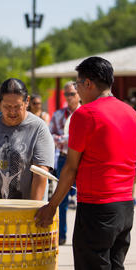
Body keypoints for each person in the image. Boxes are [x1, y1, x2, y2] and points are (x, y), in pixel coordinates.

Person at [35, 56, 136, 270]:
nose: (77, 90)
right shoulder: (131, 113)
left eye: (78, 85)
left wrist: (52, 206)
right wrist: (123, 186)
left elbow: (70, 168)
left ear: (88, 83)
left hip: (96, 210)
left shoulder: (85, 115)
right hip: (125, 209)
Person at [0, 78, 54, 200]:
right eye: (7, 106)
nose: (12, 112)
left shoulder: (39, 129)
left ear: (27, 101)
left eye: (17, 106)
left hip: (21, 210)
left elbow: (41, 174)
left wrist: (33, 211)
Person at [49, 81, 80, 245]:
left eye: (72, 94)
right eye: (66, 94)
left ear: (79, 94)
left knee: (83, 200)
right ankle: (61, 235)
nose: (69, 97)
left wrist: (64, 140)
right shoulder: (58, 115)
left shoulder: (85, 113)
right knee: (61, 198)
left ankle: (82, 235)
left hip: (82, 160)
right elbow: (50, 135)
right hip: (63, 157)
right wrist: (67, 140)